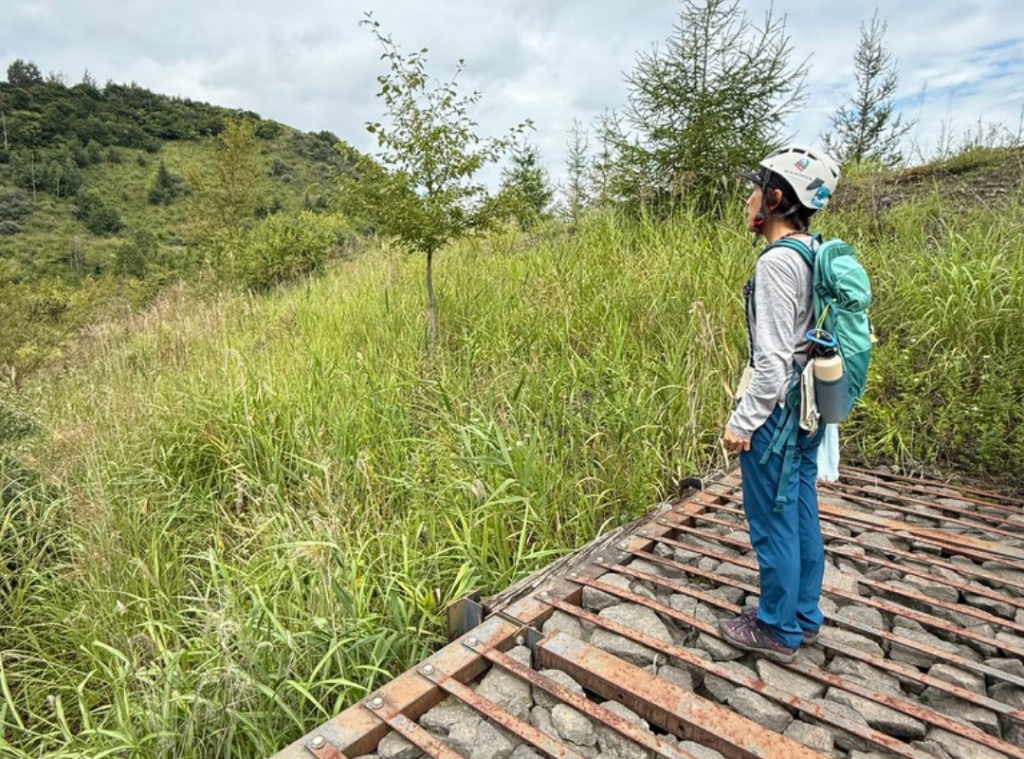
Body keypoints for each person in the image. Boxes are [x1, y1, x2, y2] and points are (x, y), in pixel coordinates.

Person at [718, 145, 841, 664]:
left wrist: (741, 421)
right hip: (808, 406)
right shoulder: (814, 253)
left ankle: (775, 628)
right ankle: (804, 615)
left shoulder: (776, 263)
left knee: (772, 519)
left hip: (777, 413)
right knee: (801, 510)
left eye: (755, 188)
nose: (748, 199)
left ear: (774, 197)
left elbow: (770, 363)